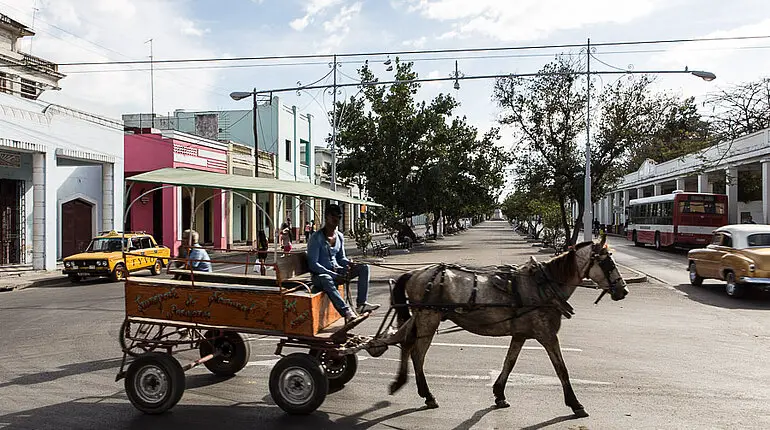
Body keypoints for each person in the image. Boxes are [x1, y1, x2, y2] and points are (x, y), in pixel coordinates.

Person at [307, 203, 380, 323]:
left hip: (337, 272)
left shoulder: (339, 236)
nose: (336, 219)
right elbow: (313, 264)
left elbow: (341, 258)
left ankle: (361, 304)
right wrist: (333, 274)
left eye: (339, 217)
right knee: (326, 278)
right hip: (320, 277)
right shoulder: (316, 238)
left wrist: (350, 264)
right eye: (333, 216)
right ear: (326, 217)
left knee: (364, 267)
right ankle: (346, 311)